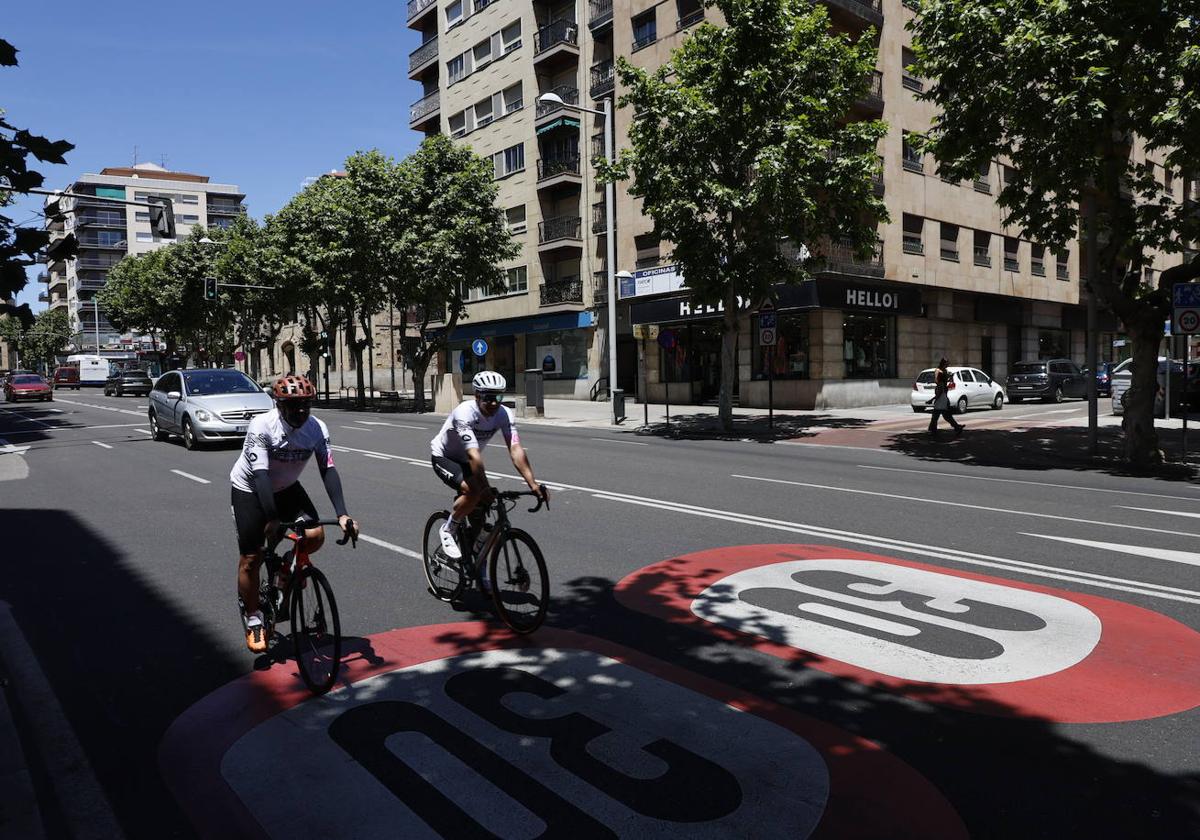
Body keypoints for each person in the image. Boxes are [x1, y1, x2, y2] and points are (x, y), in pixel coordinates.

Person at [229, 374, 359, 653]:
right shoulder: (262, 426)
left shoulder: (317, 428)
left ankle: (285, 570)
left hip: (287, 487)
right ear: (279, 405)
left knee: (314, 535)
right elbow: (261, 477)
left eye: (305, 405)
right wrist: (273, 519)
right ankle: (254, 618)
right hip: (250, 489)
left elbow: (328, 469)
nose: (300, 411)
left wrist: (342, 514)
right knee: (251, 558)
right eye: (293, 406)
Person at [430, 370, 548, 568]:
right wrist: (484, 488)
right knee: (474, 491)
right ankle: (449, 528)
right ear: (477, 396)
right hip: (445, 457)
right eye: (488, 398)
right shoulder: (464, 412)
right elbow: (474, 455)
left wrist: (533, 483)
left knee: (481, 520)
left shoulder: (504, 414)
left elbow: (516, 449)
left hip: (468, 461)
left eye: (498, 397)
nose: (494, 403)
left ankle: (477, 561)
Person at [928, 357, 965, 438]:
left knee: (938, 414)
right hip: (943, 394)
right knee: (944, 414)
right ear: (943, 363)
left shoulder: (944, 372)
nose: (948, 365)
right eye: (947, 363)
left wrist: (932, 399)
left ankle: (932, 430)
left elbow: (941, 385)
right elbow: (938, 381)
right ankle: (956, 427)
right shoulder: (939, 371)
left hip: (943, 395)